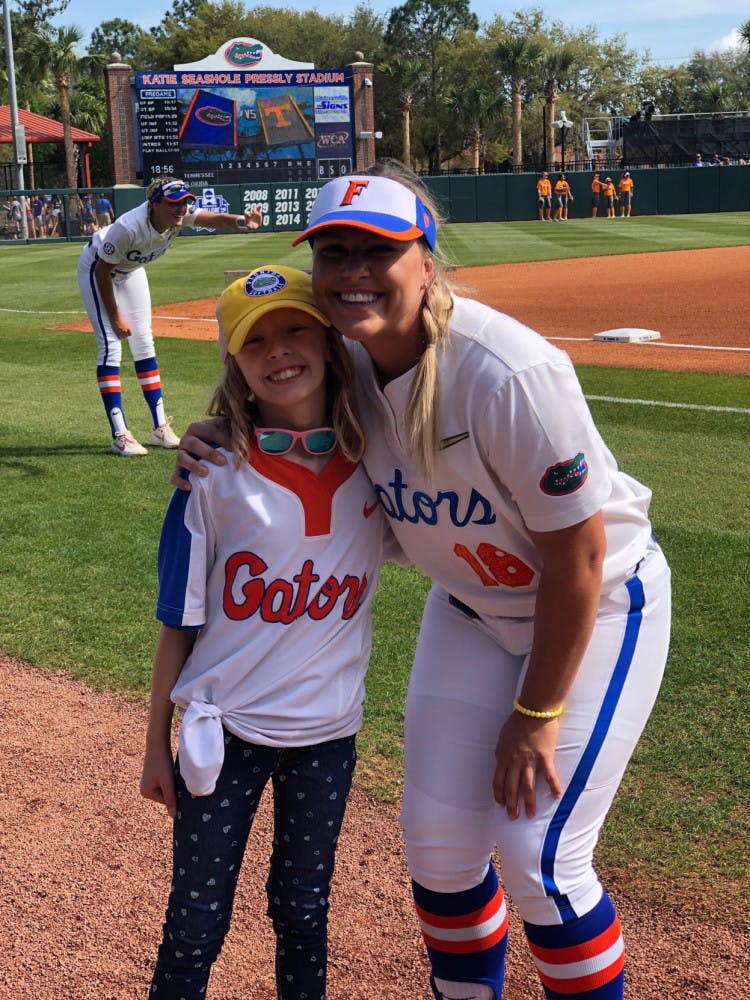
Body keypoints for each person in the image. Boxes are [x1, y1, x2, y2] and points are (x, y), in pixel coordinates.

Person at [174, 161, 672, 1000]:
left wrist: (537, 713)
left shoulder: (505, 370)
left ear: (427, 260)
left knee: (538, 859)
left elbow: (580, 557)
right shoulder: (346, 365)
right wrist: (214, 436)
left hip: (600, 607)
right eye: (334, 251)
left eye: (380, 249)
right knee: (440, 847)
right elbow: (274, 405)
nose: (354, 270)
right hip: (474, 612)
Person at [141, 264, 400, 999]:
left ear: (327, 339)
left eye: (294, 328)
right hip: (224, 738)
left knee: (303, 914)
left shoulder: (379, 461)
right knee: (194, 925)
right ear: (236, 363)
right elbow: (177, 623)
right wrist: (153, 741)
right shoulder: (210, 473)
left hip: (327, 736)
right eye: (257, 342)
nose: (279, 351)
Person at [77, 176, 263, 456]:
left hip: (129, 270)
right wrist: (115, 317)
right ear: (154, 204)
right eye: (173, 203)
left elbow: (214, 219)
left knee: (144, 343)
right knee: (111, 346)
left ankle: (159, 428)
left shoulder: (181, 216)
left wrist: (242, 221)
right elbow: (102, 271)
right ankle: (120, 434)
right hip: (97, 268)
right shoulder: (128, 228)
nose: (181, 209)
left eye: (185, 202)